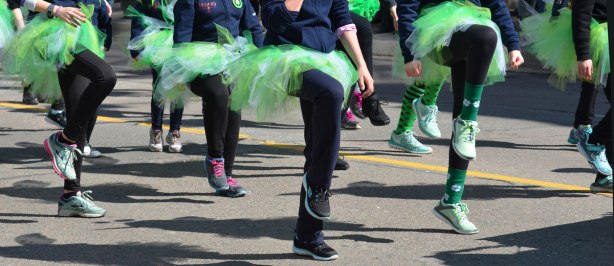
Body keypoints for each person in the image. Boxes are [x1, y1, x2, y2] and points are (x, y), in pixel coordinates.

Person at [225, 0, 373, 260]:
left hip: (325, 57)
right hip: (286, 56)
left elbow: (342, 19)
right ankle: (319, 187)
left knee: (316, 143)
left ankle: (308, 236)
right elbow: (274, 20)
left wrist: (361, 65)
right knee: (332, 92)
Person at [398, 0, 524, 234]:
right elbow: (407, 6)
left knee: (463, 121)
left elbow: (496, 5)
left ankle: (451, 201)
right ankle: (464, 122)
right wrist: (409, 53)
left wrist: (513, 44)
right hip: (439, 32)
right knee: (485, 36)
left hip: (471, 31)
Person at [2, 0, 115, 217]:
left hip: (82, 33)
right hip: (56, 33)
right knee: (106, 77)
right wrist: (56, 10)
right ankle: (63, 139)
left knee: (82, 114)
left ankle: (70, 195)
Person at [154, 0, 264, 197]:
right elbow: (182, 35)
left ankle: (227, 175)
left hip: (233, 59)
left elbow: (253, 27)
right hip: (198, 62)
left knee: (234, 105)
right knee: (219, 93)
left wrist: (263, 58)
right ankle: (215, 160)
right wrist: (179, 71)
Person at [128, 0, 184, 153]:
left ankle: (175, 131)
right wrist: (136, 48)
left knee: (179, 86)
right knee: (160, 85)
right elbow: (139, 16)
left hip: (181, 42)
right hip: (158, 43)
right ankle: (156, 130)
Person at [571, 0, 611, 192]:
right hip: (601, 41)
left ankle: (605, 177)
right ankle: (593, 141)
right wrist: (583, 54)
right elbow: (581, 14)